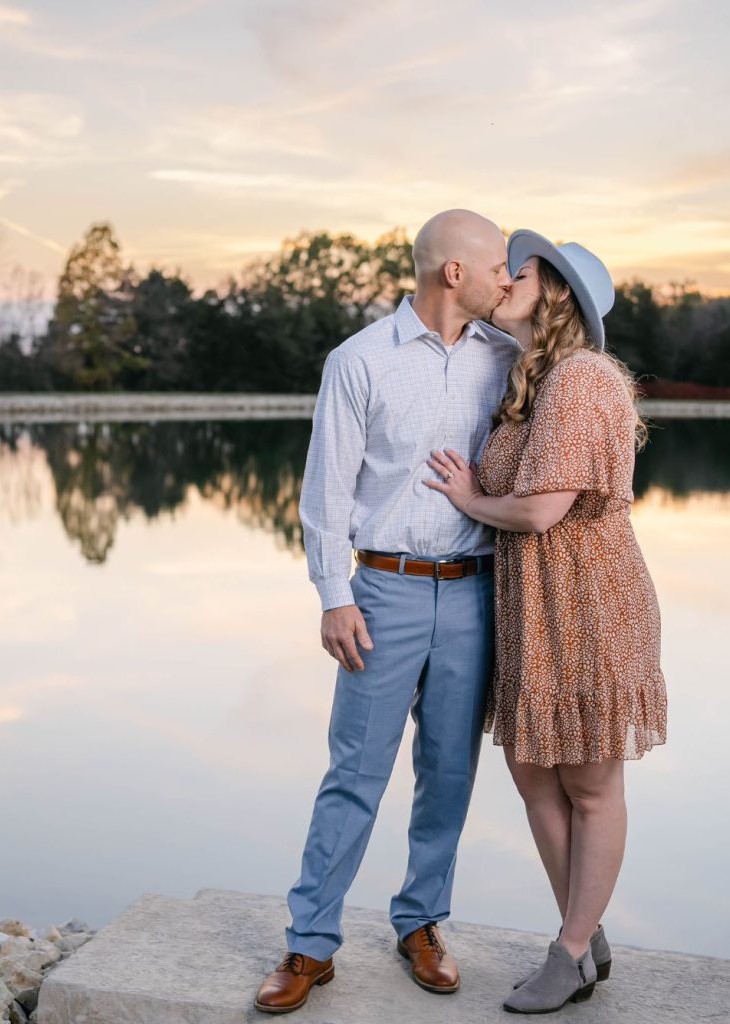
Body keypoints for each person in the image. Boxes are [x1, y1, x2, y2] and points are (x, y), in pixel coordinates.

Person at [254, 210, 519, 1014]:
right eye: (499, 265)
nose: (508, 279)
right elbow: (326, 489)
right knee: (355, 774)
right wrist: (334, 596)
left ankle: (421, 923)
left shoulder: (506, 361)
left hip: (476, 589)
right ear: (453, 273)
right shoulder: (359, 360)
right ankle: (309, 944)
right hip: (383, 593)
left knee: (448, 772)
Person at [424, 230, 667, 1014]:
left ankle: (568, 952)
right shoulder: (538, 376)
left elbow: (538, 510)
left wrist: (467, 502)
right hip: (536, 600)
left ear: (557, 291)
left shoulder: (581, 379)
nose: (505, 280)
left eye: (518, 273)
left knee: (590, 782)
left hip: (589, 599)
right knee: (533, 769)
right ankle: (583, 928)